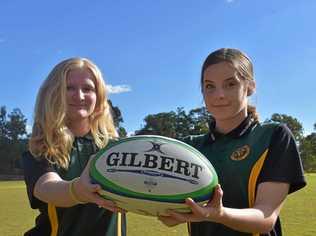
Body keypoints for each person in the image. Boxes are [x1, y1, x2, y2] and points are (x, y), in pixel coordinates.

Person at [158, 48, 306, 235]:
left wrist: (218, 214)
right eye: (210, 86)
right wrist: (125, 199)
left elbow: (266, 218)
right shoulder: (189, 147)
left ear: (250, 86)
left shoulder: (273, 136)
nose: (219, 95)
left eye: (230, 84)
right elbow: (170, 218)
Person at [22, 58, 126, 236]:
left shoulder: (116, 148)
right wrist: (78, 191)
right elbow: (46, 187)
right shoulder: (42, 149)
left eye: (87, 89)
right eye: (69, 88)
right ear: (53, 93)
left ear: (99, 96)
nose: (79, 96)